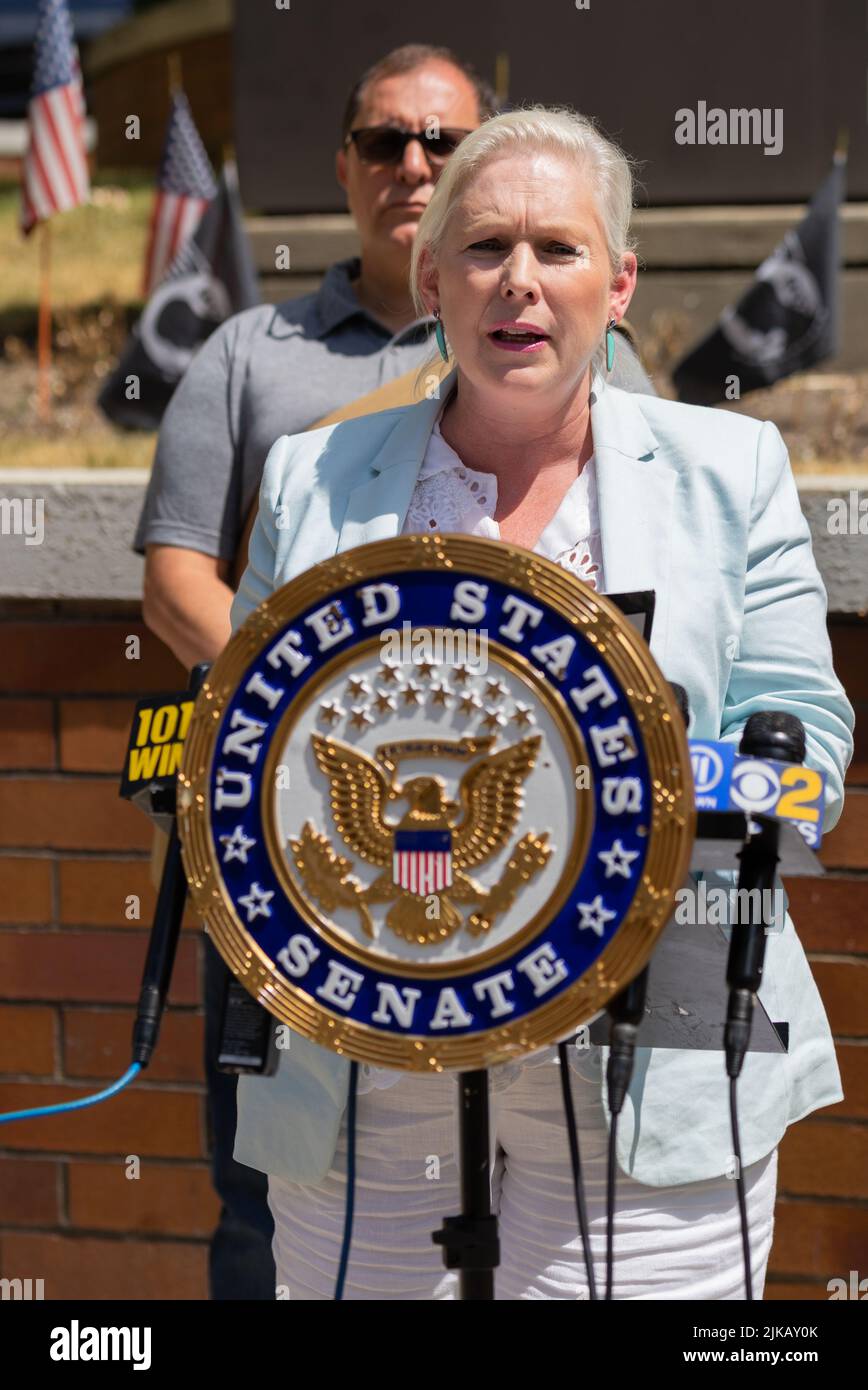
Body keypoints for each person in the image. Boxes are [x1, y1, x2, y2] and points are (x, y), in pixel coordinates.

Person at [230, 106, 855, 1300]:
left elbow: (807, 756)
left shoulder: (733, 472)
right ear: (429, 278)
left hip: (650, 1037)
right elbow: (248, 731)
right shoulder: (309, 479)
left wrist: (641, 784)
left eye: (558, 250)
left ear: (616, 283)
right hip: (368, 1057)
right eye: (482, 249)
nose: (519, 281)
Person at [134, 45, 655, 1301]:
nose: (414, 164)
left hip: (534, 897)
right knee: (269, 1205)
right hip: (297, 851)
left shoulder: (585, 357)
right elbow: (175, 581)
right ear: (347, 167)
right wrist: (306, 704)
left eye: (443, 143)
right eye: (385, 142)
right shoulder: (248, 356)